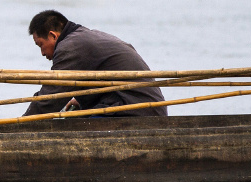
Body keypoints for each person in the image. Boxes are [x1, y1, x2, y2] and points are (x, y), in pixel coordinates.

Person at [23, 10, 168, 118]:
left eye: (40, 45)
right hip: (149, 108)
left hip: (136, 110)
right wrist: (81, 98)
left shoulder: (71, 46)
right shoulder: (83, 37)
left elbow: (51, 97)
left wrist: (19, 123)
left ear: (53, 35)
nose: (42, 53)